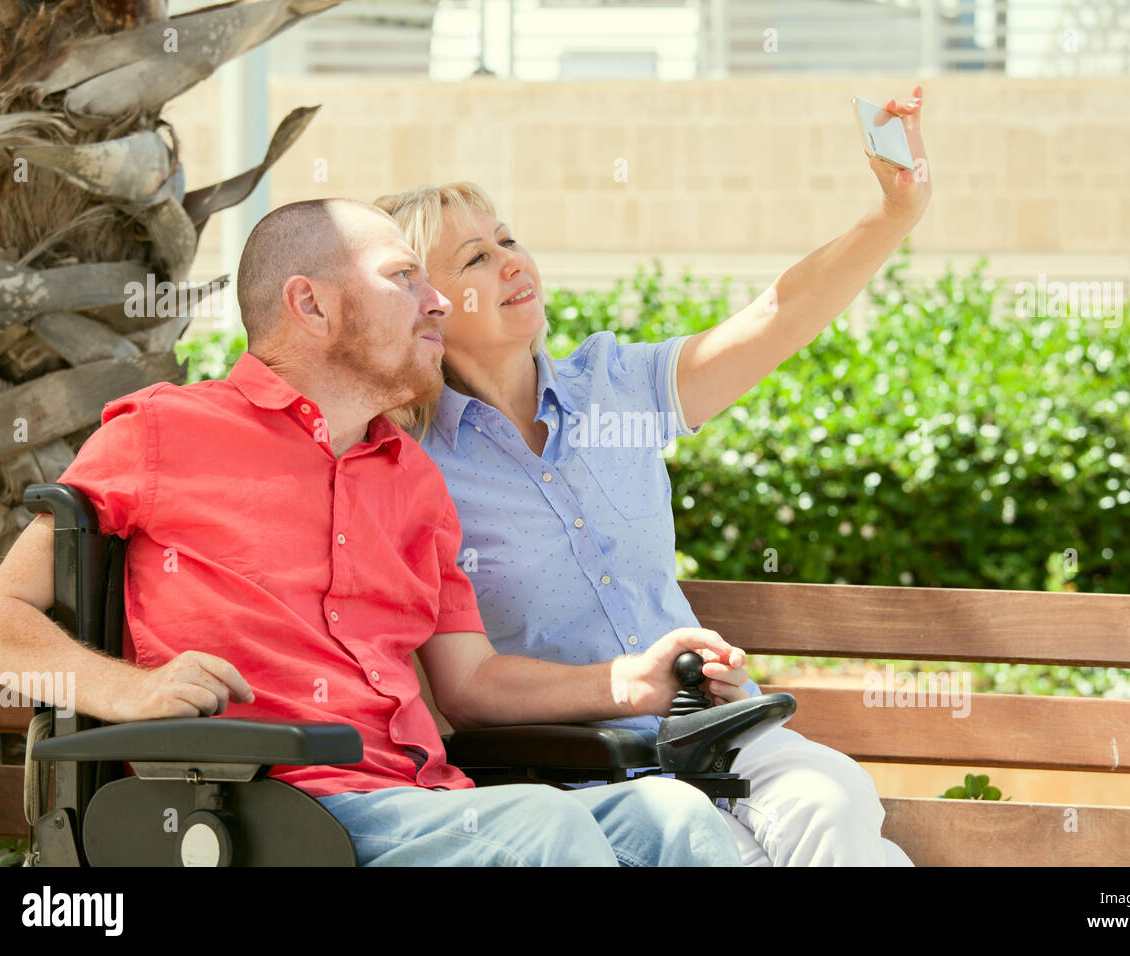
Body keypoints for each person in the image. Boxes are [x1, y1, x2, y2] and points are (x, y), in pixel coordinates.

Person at [0, 198, 745, 867]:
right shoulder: (165, 431)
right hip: (268, 812)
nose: (437, 301)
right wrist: (127, 691)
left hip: (427, 807)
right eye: (403, 277)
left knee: (674, 817)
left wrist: (625, 685)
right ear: (311, 305)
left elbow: (470, 681)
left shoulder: (413, 478)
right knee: (537, 828)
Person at [373, 88, 931, 866]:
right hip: (569, 771)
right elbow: (466, 689)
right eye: (476, 258)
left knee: (831, 799)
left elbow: (777, 314)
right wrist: (630, 683)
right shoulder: (409, 466)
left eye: (507, 239)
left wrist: (894, 214)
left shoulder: (617, 387)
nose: (512, 262)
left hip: (718, 731)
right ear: (426, 307)